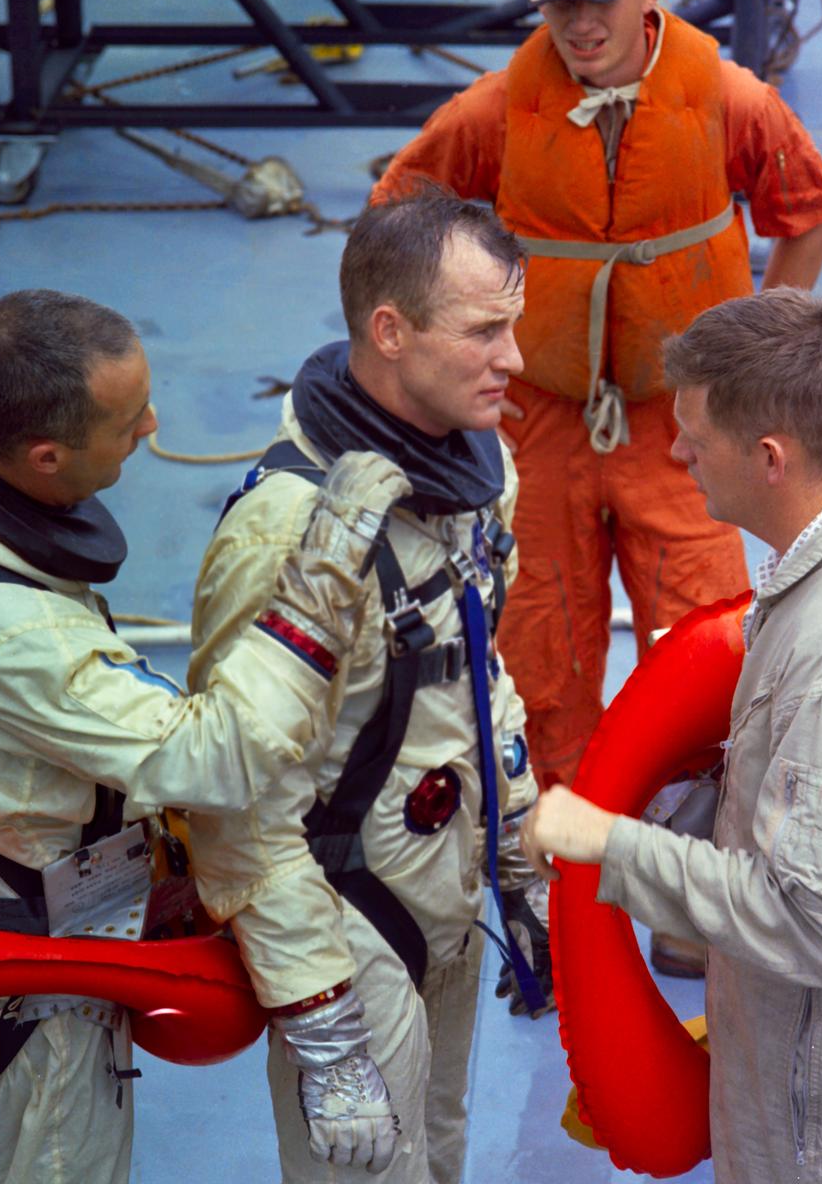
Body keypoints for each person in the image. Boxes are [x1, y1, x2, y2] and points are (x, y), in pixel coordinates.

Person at [0, 289, 411, 1184]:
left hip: (2, 883)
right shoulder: (6, 637)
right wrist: (318, 581)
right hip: (32, 997)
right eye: (129, 422)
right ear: (46, 456)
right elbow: (218, 759)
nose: (155, 424)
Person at [372, 0, 822, 795]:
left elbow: (806, 210)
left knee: (708, 652)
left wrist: (754, 365)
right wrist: (453, 373)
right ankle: (558, 877)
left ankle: (692, 893)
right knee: (537, 655)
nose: (581, 24)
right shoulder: (498, 110)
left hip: (684, 430)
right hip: (537, 425)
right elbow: (397, 218)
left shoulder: (730, 99)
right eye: (559, 5)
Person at [522, 287, 822, 1184]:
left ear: (769, 456)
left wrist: (609, 845)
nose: (675, 449)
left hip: (820, 1116)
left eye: (695, 433)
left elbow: (812, 923)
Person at [186, 186, 550, 1182]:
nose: (513, 360)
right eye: (484, 330)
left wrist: (517, 856)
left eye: (512, 326)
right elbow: (231, 794)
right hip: (343, 914)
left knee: (437, 1152)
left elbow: (479, 666)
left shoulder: (480, 474)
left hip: (448, 880)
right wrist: (321, 1022)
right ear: (390, 331)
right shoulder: (286, 533)